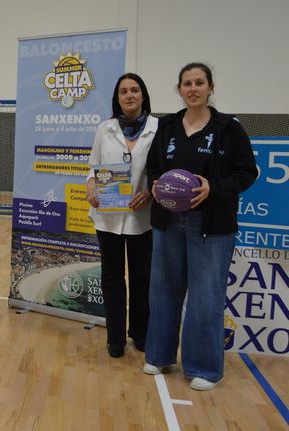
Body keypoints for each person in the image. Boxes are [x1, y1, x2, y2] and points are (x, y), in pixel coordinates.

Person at [143, 63, 257, 390]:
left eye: (199, 83)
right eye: (187, 84)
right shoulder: (166, 127)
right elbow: (153, 168)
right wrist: (155, 185)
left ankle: (204, 368)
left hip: (212, 225)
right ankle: (159, 355)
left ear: (210, 87)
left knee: (206, 296)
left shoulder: (228, 129)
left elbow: (247, 173)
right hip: (167, 221)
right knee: (163, 290)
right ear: (179, 89)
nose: (193, 88)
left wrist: (213, 188)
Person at [86, 73, 157, 358]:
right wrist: (91, 183)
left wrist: (151, 192)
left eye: (135, 90)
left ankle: (140, 334)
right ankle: (115, 338)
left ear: (143, 95)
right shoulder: (105, 129)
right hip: (108, 216)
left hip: (144, 217)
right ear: (117, 98)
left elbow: (162, 170)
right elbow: (93, 165)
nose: (129, 95)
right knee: (112, 277)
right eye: (124, 91)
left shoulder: (158, 128)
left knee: (142, 277)